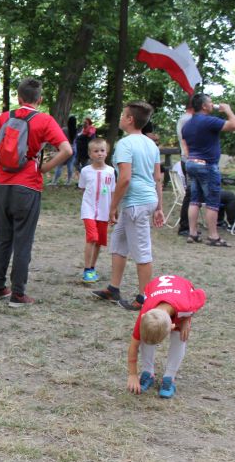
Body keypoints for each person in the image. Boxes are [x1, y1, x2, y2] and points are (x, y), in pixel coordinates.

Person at [0, 78, 72, 306]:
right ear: (40, 99)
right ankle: (18, 293)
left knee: (2, 238)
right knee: (23, 241)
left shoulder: (6, 117)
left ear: (19, 97)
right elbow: (66, 150)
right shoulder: (45, 120)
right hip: (28, 186)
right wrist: (44, 168)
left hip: (2, 184)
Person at [92, 100, 164, 311]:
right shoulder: (151, 144)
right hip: (143, 200)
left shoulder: (125, 144)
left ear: (130, 119)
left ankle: (144, 298)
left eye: (123, 115)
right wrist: (159, 206)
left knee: (142, 251)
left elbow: (124, 178)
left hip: (136, 203)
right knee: (118, 243)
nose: (121, 118)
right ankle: (113, 289)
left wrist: (112, 206)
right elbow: (157, 178)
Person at [125, 275, 207, 399]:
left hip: (181, 295)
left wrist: (186, 318)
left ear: (172, 326)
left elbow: (200, 294)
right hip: (156, 290)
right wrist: (132, 375)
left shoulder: (186, 307)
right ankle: (148, 371)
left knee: (181, 335)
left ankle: (169, 377)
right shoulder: (145, 316)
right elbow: (133, 346)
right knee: (148, 332)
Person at [181, 93, 235, 246]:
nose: (213, 104)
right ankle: (213, 236)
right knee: (212, 201)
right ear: (204, 106)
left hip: (192, 163)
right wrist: (228, 110)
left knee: (195, 200)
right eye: (210, 102)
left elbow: (186, 146)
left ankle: (192, 233)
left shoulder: (187, 124)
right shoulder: (208, 121)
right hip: (207, 165)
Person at [78, 138, 115, 284]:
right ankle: (87, 269)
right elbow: (83, 188)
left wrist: (113, 210)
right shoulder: (85, 171)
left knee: (99, 241)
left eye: (102, 150)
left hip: (104, 212)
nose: (99, 153)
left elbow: (112, 191)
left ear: (107, 152)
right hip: (88, 210)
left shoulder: (111, 171)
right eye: (96, 151)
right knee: (92, 238)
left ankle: (92, 267)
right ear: (90, 154)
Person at [51, 116, 78, 185]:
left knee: (59, 165)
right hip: (73, 149)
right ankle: (68, 181)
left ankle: (55, 181)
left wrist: (57, 147)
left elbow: (59, 138)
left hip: (65, 149)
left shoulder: (64, 130)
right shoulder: (77, 131)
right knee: (70, 165)